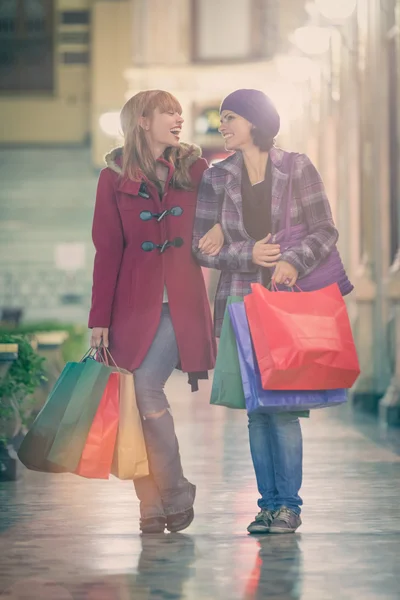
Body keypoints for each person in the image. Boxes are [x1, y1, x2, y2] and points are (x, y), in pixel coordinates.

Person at [193, 89, 340, 534]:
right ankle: (267, 504)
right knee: (257, 409)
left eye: (230, 117)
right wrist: (247, 253)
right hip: (240, 302)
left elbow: (325, 229)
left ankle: (289, 506)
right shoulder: (217, 178)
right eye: (222, 118)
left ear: (255, 122)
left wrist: (294, 261)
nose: (223, 125)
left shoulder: (297, 167)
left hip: (290, 302)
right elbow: (202, 249)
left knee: (283, 408)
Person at [88, 90, 216, 534]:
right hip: (129, 308)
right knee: (133, 402)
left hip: (177, 307)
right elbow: (107, 252)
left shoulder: (196, 168)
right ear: (142, 121)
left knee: (146, 389)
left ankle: (175, 489)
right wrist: (98, 320)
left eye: (180, 110)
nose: (179, 117)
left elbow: (224, 215)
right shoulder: (112, 178)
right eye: (168, 111)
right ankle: (151, 505)